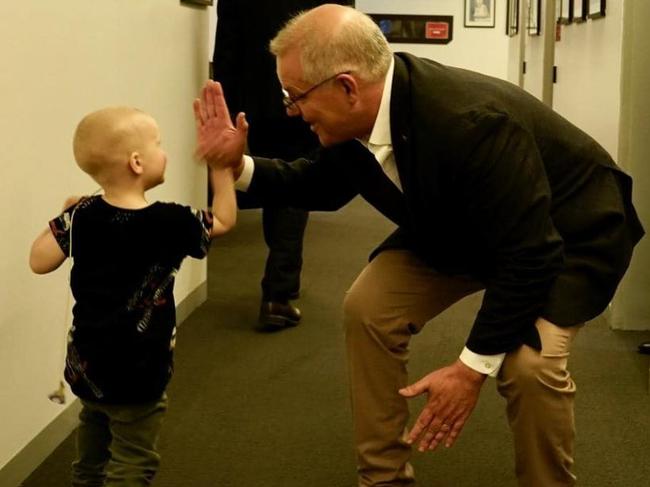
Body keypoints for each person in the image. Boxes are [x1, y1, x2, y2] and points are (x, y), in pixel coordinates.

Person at [193, 5, 644, 486]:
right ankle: (383, 477)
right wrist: (235, 165)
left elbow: (530, 253)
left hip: (564, 233)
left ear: (346, 86)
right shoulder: (359, 114)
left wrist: (469, 369)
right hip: (460, 225)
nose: (291, 111)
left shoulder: (468, 122)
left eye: (295, 96)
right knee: (368, 307)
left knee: (528, 367)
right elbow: (319, 185)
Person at [29, 106, 236, 486]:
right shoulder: (172, 221)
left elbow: (39, 261)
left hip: (87, 366)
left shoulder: (84, 215)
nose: (165, 151)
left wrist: (63, 216)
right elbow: (223, 220)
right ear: (137, 162)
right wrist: (220, 170)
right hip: (140, 370)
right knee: (133, 460)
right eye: (158, 143)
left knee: (90, 450)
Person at [212, 0, 353, 329]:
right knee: (294, 185)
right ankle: (278, 290)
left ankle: (281, 280)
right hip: (313, 90)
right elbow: (346, 36)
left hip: (259, 101)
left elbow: (228, 49)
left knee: (275, 183)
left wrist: (230, 111)